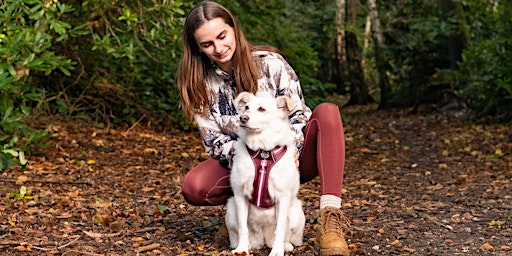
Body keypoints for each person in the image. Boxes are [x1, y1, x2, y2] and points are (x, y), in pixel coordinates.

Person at [177, 1, 350, 256]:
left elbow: (299, 114)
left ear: (234, 28)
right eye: (207, 44)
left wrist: (290, 148)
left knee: (327, 112)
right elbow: (213, 140)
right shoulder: (199, 84)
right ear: (197, 47)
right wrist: (251, 157)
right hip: (244, 164)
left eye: (222, 36)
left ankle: (330, 217)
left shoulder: (271, 64)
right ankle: (242, 216)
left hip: (290, 160)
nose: (218, 48)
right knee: (194, 186)